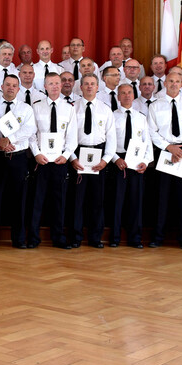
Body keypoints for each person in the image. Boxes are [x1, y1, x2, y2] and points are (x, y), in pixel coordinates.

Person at [147, 72, 182, 249]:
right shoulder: (155, 106)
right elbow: (152, 132)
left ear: (181, 84)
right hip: (164, 153)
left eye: (177, 81)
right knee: (161, 197)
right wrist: (169, 147)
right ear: (165, 82)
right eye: (171, 81)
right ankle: (158, 236)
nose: (174, 84)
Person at [0, 74, 37, 248]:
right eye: (7, 84)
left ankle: (19, 239)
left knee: (19, 199)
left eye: (14, 85)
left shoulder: (26, 109)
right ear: (1, 86)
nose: (10, 88)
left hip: (18, 158)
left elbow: (29, 130)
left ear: (18, 88)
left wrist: (8, 140)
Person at [29, 73, 79, 249]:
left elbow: (72, 137)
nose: (55, 86)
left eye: (57, 83)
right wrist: (36, 153)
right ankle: (34, 238)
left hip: (59, 161)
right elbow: (32, 135)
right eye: (51, 83)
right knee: (37, 200)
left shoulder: (69, 108)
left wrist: (65, 156)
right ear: (45, 86)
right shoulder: (36, 107)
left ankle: (58, 238)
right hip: (41, 161)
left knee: (59, 201)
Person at [71, 74, 115, 248]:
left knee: (97, 200)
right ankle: (76, 237)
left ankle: (96, 237)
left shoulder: (105, 109)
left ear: (98, 87)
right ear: (80, 87)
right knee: (77, 200)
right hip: (78, 154)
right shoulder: (72, 108)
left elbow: (111, 137)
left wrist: (105, 160)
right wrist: (72, 158)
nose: (89, 87)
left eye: (93, 84)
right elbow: (68, 135)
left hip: (99, 155)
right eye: (86, 84)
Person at [110, 83, 152, 248]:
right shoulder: (112, 116)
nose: (127, 96)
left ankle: (135, 238)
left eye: (129, 93)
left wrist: (146, 162)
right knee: (117, 202)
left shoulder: (141, 117)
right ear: (118, 97)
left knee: (136, 201)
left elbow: (147, 143)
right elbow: (109, 143)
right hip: (118, 161)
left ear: (134, 96)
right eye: (123, 93)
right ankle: (114, 237)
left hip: (137, 163)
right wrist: (115, 159)